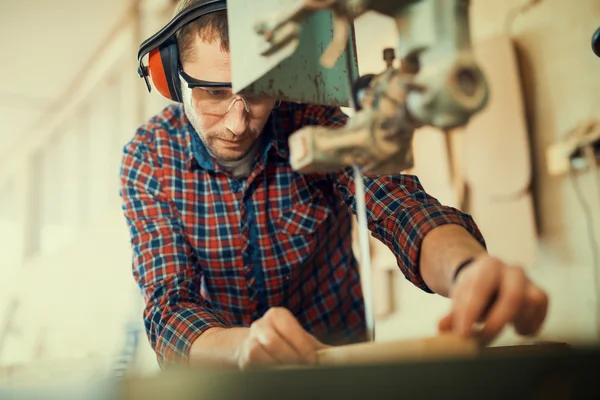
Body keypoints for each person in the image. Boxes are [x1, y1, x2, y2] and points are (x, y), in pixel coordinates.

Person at [119, 0, 549, 370]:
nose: (237, 122)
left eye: (258, 93)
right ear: (171, 78)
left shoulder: (309, 116)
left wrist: (466, 268)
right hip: (223, 377)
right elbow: (169, 307)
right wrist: (243, 347)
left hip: (338, 365)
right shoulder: (148, 157)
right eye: (213, 95)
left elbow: (398, 206)